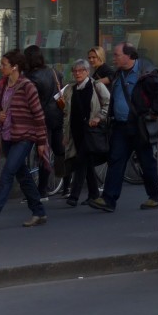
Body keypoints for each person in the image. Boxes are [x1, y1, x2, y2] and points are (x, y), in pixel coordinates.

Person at [89, 43, 158, 212]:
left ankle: (155, 196)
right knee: (116, 160)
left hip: (139, 124)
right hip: (121, 125)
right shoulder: (118, 74)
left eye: (117, 55)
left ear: (129, 56)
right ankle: (108, 199)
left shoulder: (147, 73)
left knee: (146, 161)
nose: (114, 58)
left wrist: (153, 113)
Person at [0, 50, 49, 227]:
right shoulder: (2, 84)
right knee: (23, 175)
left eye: (4, 64)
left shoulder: (27, 86)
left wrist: (41, 141)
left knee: (7, 174)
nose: (1, 67)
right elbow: (0, 108)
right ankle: (39, 212)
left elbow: (39, 115)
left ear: (15, 66)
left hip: (24, 136)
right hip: (8, 135)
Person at [62, 58, 109, 206]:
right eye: (75, 71)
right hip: (75, 131)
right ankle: (94, 194)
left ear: (87, 72)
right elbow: (65, 111)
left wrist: (99, 118)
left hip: (91, 131)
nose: (77, 73)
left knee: (81, 160)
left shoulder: (97, 86)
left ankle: (74, 196)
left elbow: (108, 103)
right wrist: (65, 134)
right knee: (87, 162)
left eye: (80, 70)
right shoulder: (70, 89)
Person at [23, 45, 62, 199]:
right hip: (56, 116)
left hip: (40, 118)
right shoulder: (53, 72)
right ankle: (66, 186)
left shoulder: (31, 77)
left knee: (42, 152)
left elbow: (31, 101)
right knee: (57, 150)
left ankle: (42, 190)